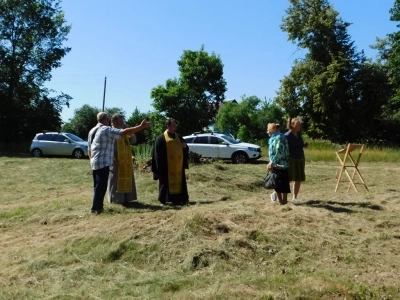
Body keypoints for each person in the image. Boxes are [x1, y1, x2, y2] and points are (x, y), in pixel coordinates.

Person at [88, 112, 151, 214]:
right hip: (106, 161)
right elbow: (122, 133)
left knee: (98, 186)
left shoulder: (92, 130)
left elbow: (89, 149)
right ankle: (96, 208)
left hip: (97, 162)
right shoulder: (107, 129)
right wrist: (140, 126)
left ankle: (98, 207)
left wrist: (92, 161)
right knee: (101, 186)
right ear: (109, 120)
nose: (122, 122)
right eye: (120, 120)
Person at [151, 118, 189, 206]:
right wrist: (160, 166)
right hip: (166, 166)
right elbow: (157, 153)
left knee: (180, 183)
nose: (175, 126)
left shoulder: (178, 137)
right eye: (173, 125)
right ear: (167, 126)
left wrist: (185, 147)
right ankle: (163, 200)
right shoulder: (161, 138)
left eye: (175, 125)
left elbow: (185, 147)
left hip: (178, 166)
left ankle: (179, 199)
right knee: (165, 183)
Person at [107, 113, 138, 205]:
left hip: (126, 160)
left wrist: (130, 131)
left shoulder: (124, 131)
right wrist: (113, 159)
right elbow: (108, 147)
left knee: (127, 178)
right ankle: (115, 199)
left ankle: (127, 198)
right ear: (114, 121)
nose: (123, 122)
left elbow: (134, 141)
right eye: (120, 120)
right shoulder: (111, 131)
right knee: (115, 179)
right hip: (116, 160)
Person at [266, 122, 290, 205]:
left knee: (280, 183)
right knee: (279, 183)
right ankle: (282, 202)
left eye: (268, 130)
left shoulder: (278, 137)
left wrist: (272, 162)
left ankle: (283, 201)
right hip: (280, 164)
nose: (267, 132)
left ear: (273, 129)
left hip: (279, 165)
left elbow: (278, 151)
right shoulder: (275, 137)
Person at [284, 117, 307, 204]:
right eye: (298, 125)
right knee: (288, 178)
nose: (299, 126)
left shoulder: (299, 134)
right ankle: (275, 193)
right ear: (292, 125)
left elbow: (299, 144)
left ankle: (295, 198)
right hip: (291, 159)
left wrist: (304, 145)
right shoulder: (287, 136)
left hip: (300, 158)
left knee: (298, 178)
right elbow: (284, 148)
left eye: (300, 124)